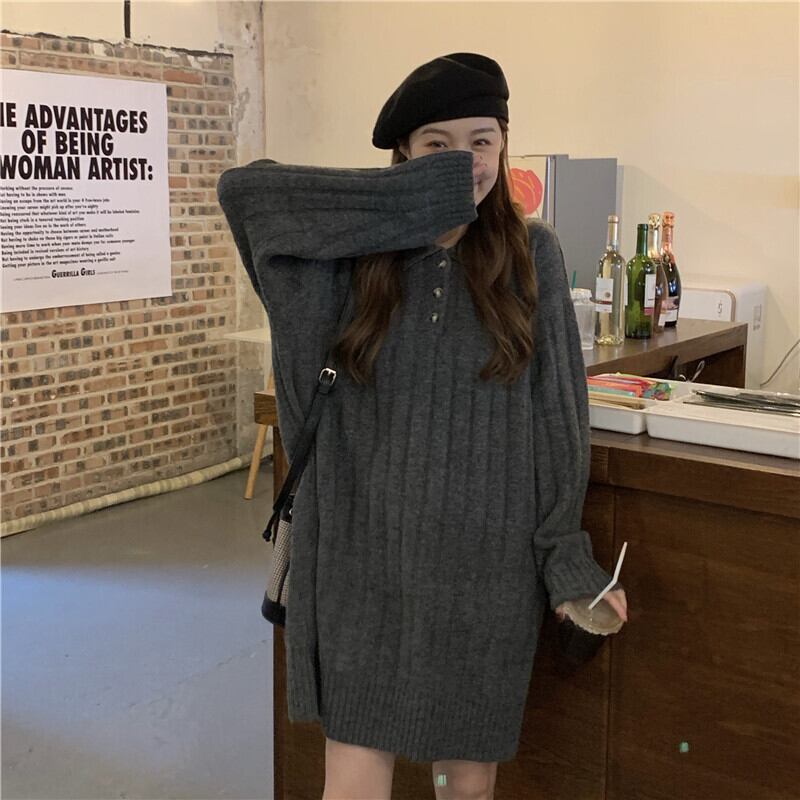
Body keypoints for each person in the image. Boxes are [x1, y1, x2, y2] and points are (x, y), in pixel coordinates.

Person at [217, 52, 627, 800]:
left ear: (505, 146)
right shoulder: (347, 258)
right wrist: (415, 203)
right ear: (403, 154)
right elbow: (247, 196)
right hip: (359, 561)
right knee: (354, 779)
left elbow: (557, 424)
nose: (465, 162)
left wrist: (566, 562)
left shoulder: (531, 255)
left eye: (481, 142)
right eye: (438, 144)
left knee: (466, 785)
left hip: (485, 574)